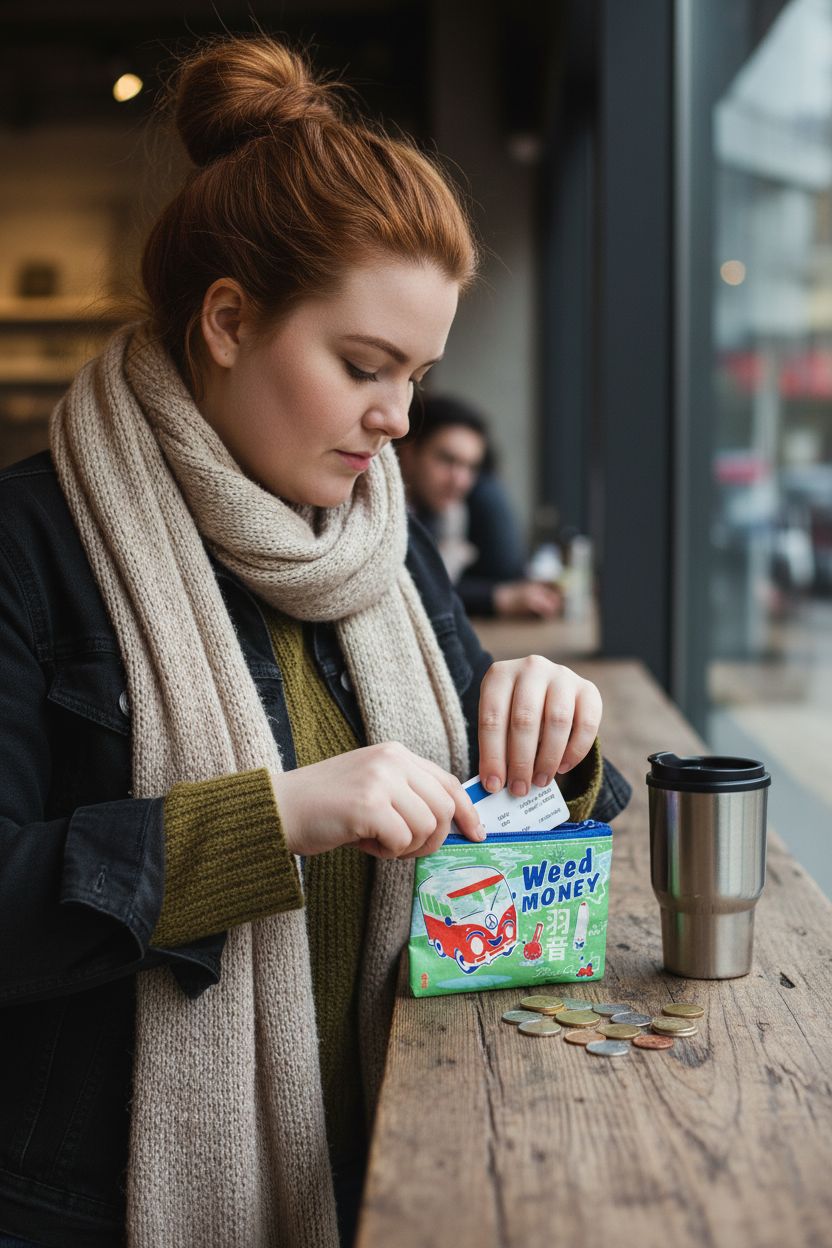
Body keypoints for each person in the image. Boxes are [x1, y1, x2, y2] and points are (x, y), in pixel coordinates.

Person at [0, 35, 632, 1248]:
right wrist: (272, 817)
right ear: (229, 320)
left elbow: (482, 819)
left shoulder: (382, 541)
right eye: (363, 367)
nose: (398, 419)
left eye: (418, 375)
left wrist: (559, 749)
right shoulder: (31, 546)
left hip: (399, 1161)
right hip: (96, 1203)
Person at [397, 394, 563, 617]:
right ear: (409, 454)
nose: (460, 481)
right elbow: (406, 592)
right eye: (447, 460)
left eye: (471, 467)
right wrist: (496, 598)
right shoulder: (385, 517)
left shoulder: (450, 516)